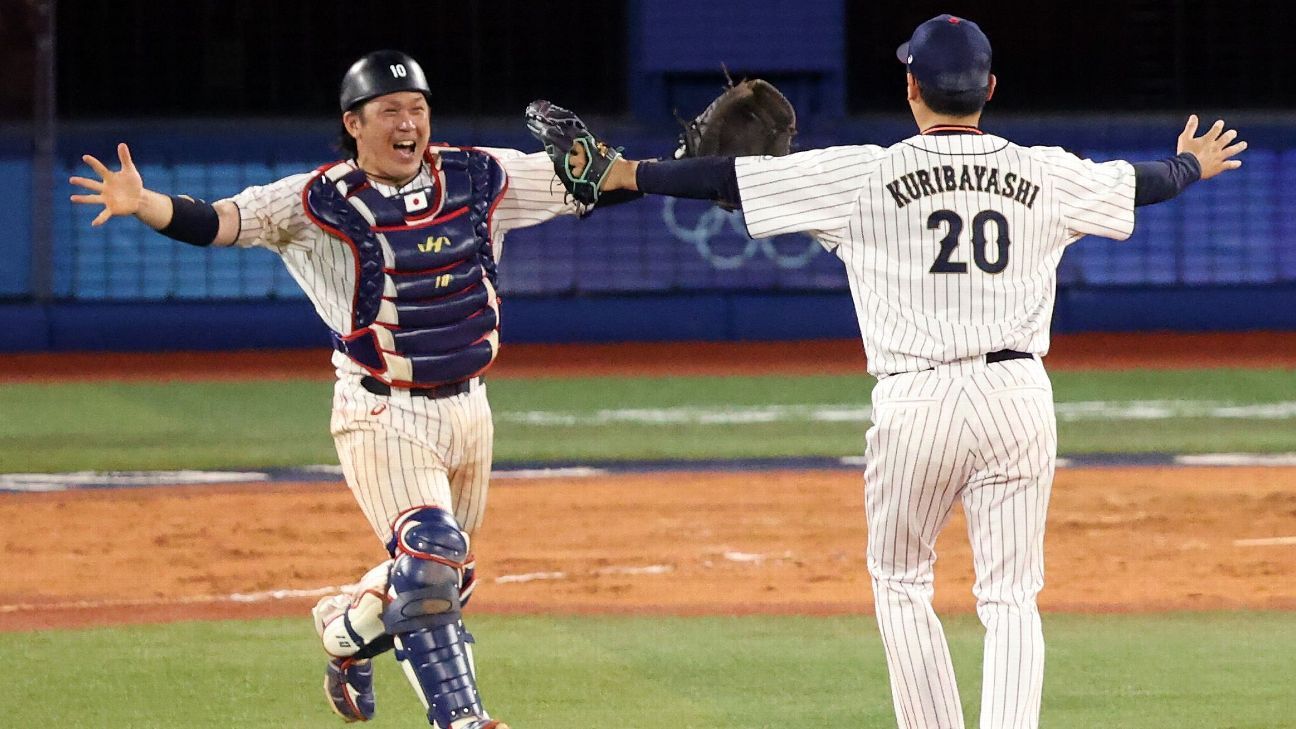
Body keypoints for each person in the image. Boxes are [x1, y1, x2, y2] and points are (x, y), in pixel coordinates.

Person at [536, 14, 1246, 729]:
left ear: (912, 87)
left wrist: (626, 171)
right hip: (1018, 397)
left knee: (902, 580)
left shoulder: (864, 171)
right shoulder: (1045, 170)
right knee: (1009, 596)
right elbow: (1142, 183)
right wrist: (1192, 164)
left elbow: (727, 176)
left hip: (917, 401)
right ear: (989, 87)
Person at [70, 50, 596, 729]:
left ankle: (345, 634)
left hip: (471, 408)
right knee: (431, 560)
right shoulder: (313, 201)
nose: (409, 124)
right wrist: (146, 203)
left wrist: (681, 165)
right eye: (390, 112)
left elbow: (587, 183)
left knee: (446, 577)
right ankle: (463, 718)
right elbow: (221, 221)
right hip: (381, 411)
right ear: (354, 123)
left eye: (419, 109)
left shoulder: (474, 174)